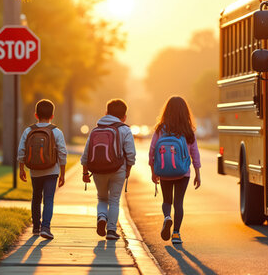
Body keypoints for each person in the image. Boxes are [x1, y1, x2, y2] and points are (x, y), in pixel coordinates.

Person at [81, 99, 136, 240]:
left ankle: (101, 217)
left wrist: (85, 172)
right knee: (114, 200)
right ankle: (111, 230)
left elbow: (86, 154)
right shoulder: (125, 129)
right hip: (118, 169)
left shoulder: (96, 129)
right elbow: (131, 153)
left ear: (106, 113)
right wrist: (128, 168)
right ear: (124, 117)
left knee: (102, 198)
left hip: (98, 170)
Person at [149, 96, 202, 244]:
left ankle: (167, 217)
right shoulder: (187, 130)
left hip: (164, 172)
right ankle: (176, 234)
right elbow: (194, 153)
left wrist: (153, 170)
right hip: (182, 172)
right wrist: (197, 173)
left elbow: (152, 150)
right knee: (179, 203)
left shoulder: (160, 129)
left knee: (167, 200)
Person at [18, 99, 68, 240]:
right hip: (52, 171)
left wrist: (22, 169)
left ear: (36, 115)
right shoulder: (57, 132)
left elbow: (21, 151)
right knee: (49, 199)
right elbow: (62, 153)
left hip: (35, 171)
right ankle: (45, 227)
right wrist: (62, 174)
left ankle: (35, 227)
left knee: (36, 198)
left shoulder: (28, 130)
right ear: (52, 116)